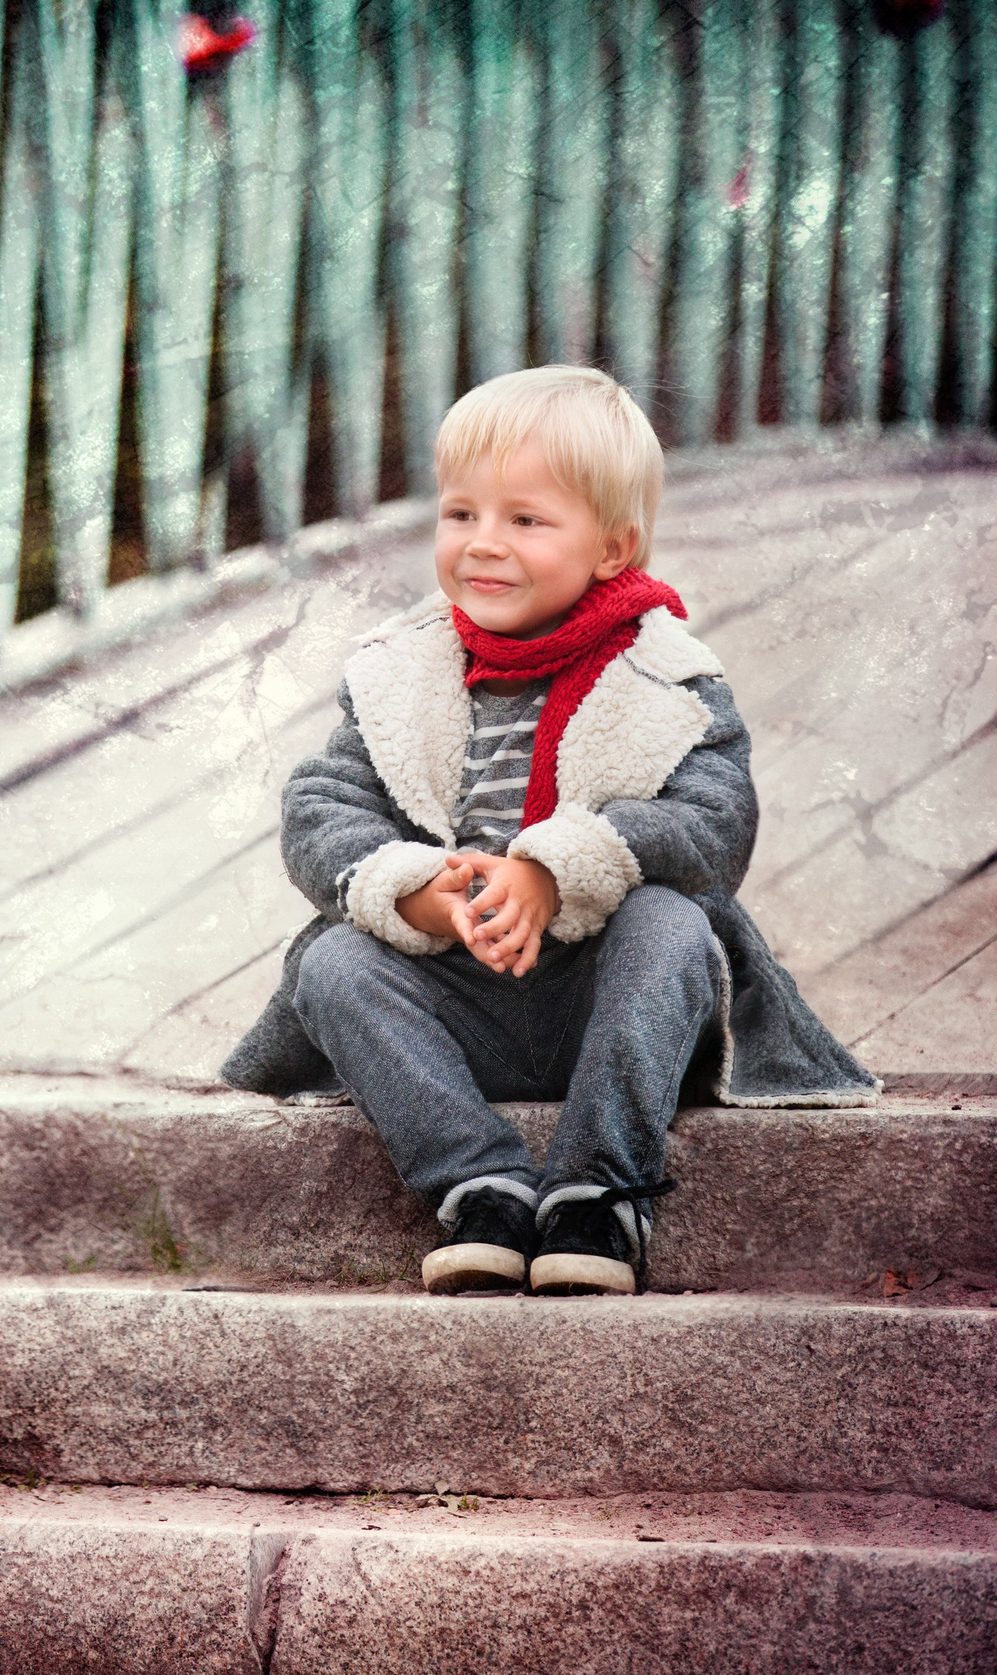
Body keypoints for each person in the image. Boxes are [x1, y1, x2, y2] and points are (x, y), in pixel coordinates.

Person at [219, 364, 877, 1297]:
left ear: (613, 548)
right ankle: (479, 1183)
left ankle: (599, 1193)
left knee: (674, 925)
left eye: (526, 520)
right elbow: (320, 803)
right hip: (460, 1004)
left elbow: (713, 827)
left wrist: (557, 867)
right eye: (461, 514)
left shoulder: (670, 684)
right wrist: (416, 891)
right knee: (332, 963)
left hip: (612, 1005)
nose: (483, 544)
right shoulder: (400, 673)